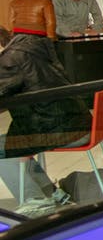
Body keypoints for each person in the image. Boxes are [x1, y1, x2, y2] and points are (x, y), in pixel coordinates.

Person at [0, 17, 93, 215]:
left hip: (58, 128)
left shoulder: (10, 60)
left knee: (4, 147)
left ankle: (36, 201)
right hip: (72, 122)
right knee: (9, 142)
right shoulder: (30, 49)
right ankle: (51, 194)